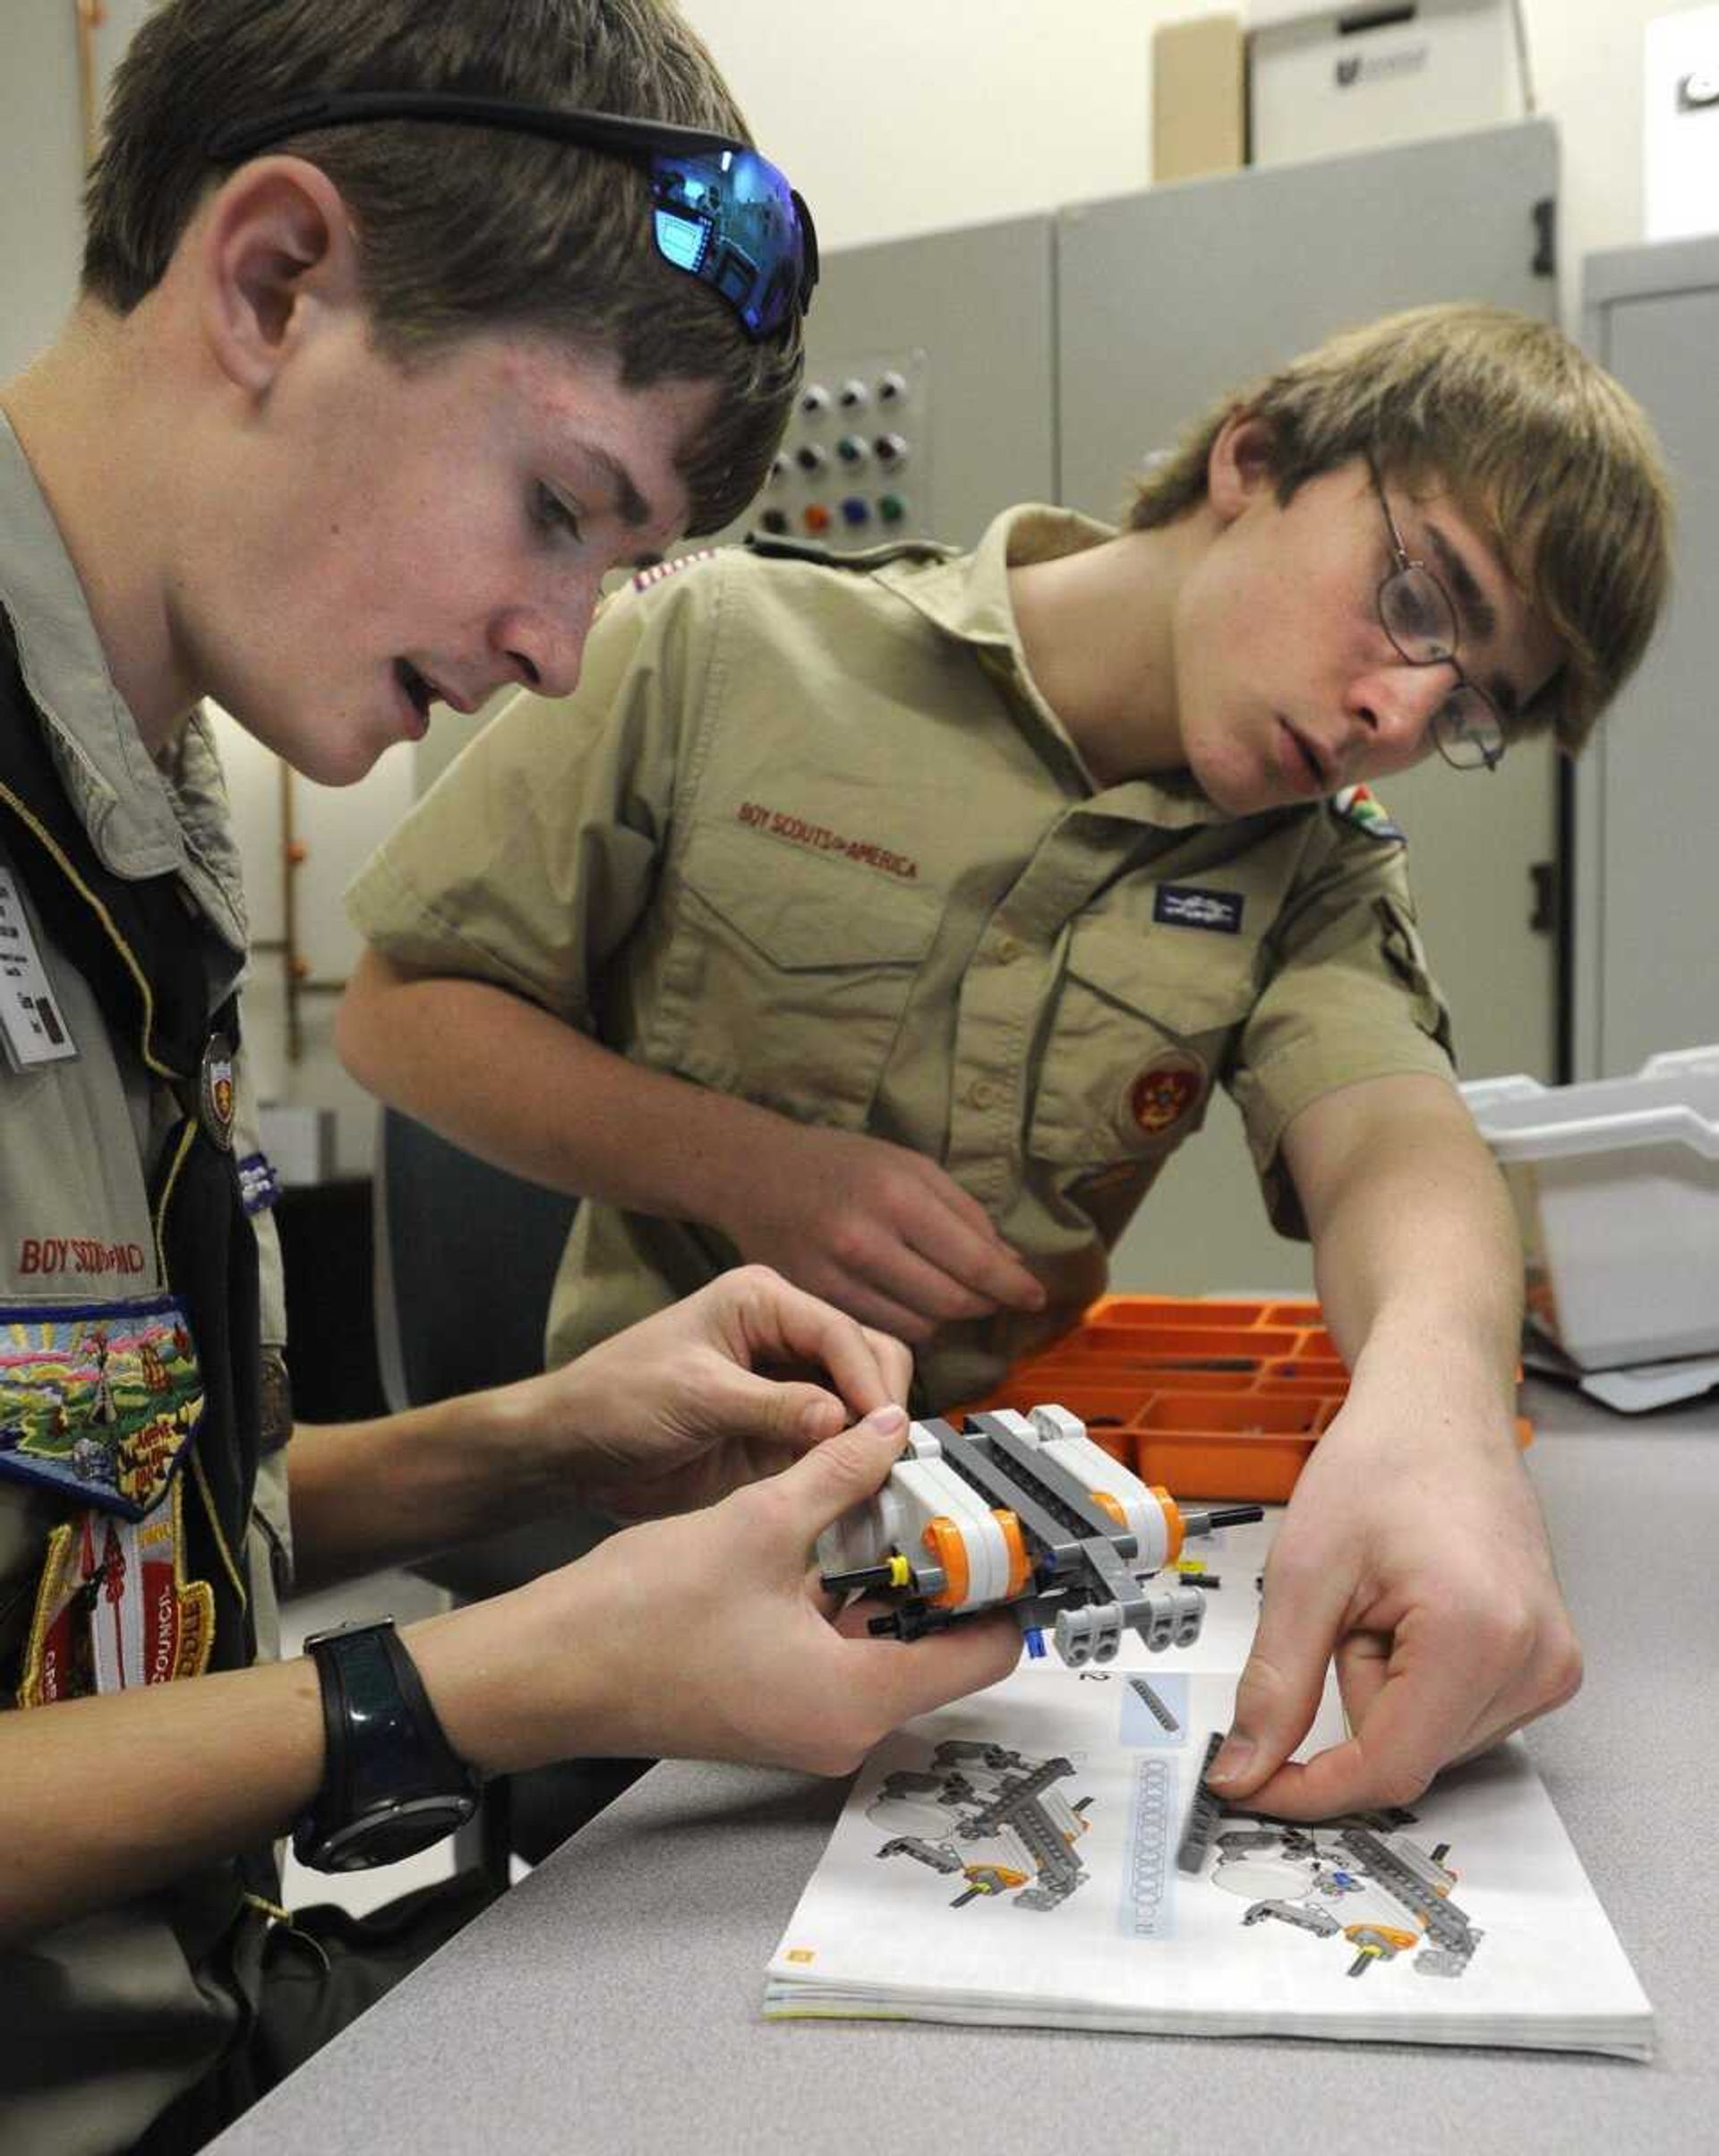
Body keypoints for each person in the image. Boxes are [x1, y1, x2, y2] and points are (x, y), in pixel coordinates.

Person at [0, 4, 1018, 2149]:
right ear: (273, 278)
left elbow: (86, 1530)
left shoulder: (134, 806)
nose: (563, 648)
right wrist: (493, 1676)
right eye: (560, 505)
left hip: (200, 2011)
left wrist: (526, 1445)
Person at [338, 300, 1674, 1826]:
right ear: (1254, 459)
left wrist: (1438, 1414)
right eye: (1421, 602)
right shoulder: (726, 650)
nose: (1400, 711)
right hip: (637, 1548)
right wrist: (755, 1173)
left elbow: (1393, 1141)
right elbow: (399, 1008)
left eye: (1471, 709)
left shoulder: (1308, 870)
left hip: (976, 1563)